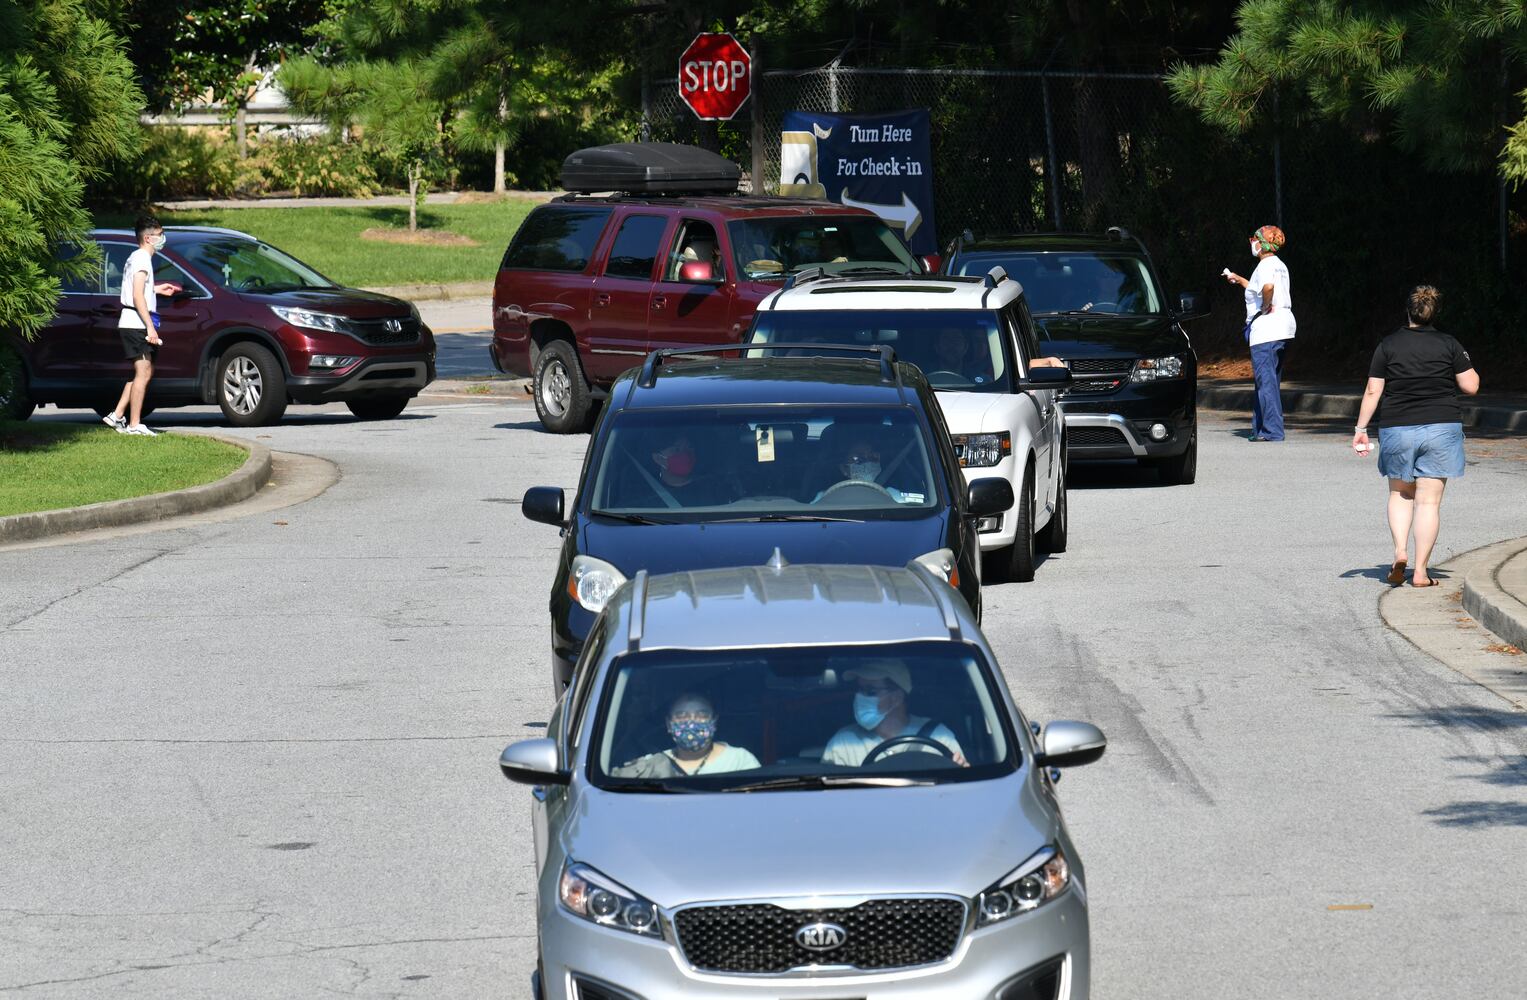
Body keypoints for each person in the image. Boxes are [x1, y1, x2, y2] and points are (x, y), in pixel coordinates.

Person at [1353, 286, 1479, 588]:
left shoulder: (1388, 345)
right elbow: (1471, 385)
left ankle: (1400, 551)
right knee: (1428, 503)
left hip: (1398, 427)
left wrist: (1360, 429)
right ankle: (1421, 572)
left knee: (1400, 493)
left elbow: (1373, 389)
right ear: (1434, 313)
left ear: (1407, 311)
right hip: (1441, 427)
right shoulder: (1449, 344)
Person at [104, 215, 179, 436]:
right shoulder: (142, 259)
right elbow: (137, 296)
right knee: (144, 371)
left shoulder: (137, 258)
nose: (163, 238)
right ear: (148, 238)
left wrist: (156, 288)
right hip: (136, 323)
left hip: (135, 322)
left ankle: (117, 415)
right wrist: (150, 327)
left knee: (141, 372)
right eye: (159, 235)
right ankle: (135, 424)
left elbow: (138, 288)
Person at [1223, 226, 1294, 442]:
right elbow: (1257, 287)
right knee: (1269, 380)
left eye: (1254, 239)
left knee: (1266, 382)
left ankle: (1273, 431)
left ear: (1262, 243)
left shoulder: (1264, 265)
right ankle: (1261, 428)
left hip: (1266, 330)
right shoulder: (1279, 265)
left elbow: (1268, 287)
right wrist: (1239, 279)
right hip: (1285, 326)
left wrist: (1266, 304)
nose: (1252, 242)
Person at [822, 662, 968, 767]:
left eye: (870, 691)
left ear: (897, 697)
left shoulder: (939, 736)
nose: (859, 696)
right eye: (859, 689)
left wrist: (962, 774)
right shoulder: (843, 743)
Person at [612, 693, 760, 777]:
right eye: (682, 716)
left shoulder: (739, 761)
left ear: (714, 722)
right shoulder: (652, 765)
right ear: (669, 724)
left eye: (701, 715)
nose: (691, 722)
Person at [811, 433, 917, 504]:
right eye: (857, 457)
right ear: (843, 468)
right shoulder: (825, 497)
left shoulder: (893, 495)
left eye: (872, 457)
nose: (866, 462)